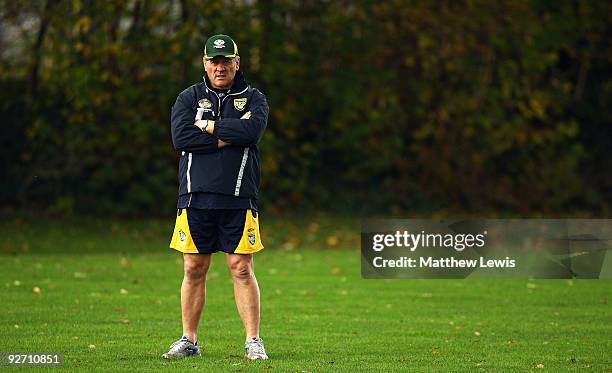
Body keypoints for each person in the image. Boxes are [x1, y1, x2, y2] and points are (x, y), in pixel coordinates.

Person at [163, 34, 269, 360]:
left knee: (240, 267)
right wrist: (228, 135)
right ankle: (188, 340)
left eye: (226, 61)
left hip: (239, 196)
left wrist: (207, 127)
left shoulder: (254, 98)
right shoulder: (188, 97)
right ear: (204, 63)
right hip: (195, 196)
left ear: (237, 63)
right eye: (214, 60)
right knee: (194, 267)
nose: (220, 67)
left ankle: (253, 341)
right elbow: (181, 136)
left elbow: (252, 133)